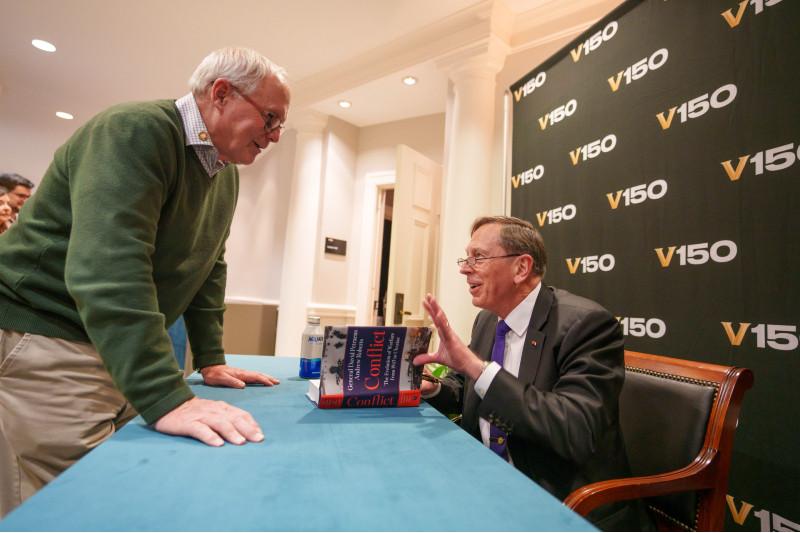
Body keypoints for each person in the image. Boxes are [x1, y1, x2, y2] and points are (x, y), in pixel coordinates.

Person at [0, 47, 290, 518]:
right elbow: (107, 269)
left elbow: (208, 264)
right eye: (271, 118)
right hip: (50, 334)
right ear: (220, 94)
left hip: (109, 344)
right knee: (81, 504)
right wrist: (165, 397)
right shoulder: (136, 130)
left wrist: (212, 360)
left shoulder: (224, 174)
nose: (276, 135)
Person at [414, 216, 653, 531]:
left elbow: (574, 428)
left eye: (478, 258)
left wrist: (474, 366)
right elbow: (469, 391)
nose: (464, 268)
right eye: (466, 258)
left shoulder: (587, 325)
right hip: (483, 483)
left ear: (521, 268)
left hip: (560, 500)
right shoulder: (488, 321)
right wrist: (431, 387)